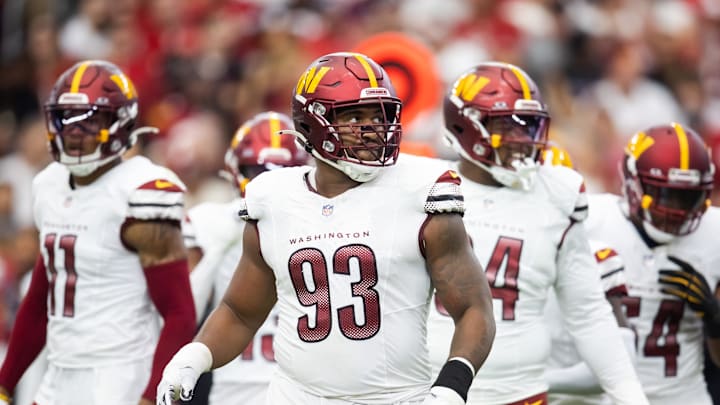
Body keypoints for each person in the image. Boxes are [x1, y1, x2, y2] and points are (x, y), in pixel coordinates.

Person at [158, 51, 496, 405]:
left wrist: (452, 386)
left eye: (380, 115)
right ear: (311, 123)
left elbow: (474, 308)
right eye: (355, 116)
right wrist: (195, 357)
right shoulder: (274, 199)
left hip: (395, 398)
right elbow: (241, 312)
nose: (373, 129)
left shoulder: (421, 189)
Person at [428, 61, 648, 405]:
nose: (522, 139)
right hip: (430, 389)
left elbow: (587, 312)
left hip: (521, 392)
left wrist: (630, 396)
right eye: (506, 126)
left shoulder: (558, 191)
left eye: (528, 126)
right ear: (464, 125)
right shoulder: (422, 185)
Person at [0, 60, 196, 405]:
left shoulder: (140, 193)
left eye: (90, 119)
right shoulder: (49, 185)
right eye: (66, 118)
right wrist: (5, 383)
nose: (75, 132)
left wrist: (153, 397)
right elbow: (41, 298)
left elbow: (180, 313)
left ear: (119, 123)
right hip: (58, 377)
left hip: (119, 380)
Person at [585, 122, 720, 404]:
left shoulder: (714, 233)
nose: (678, 210)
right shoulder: (591, 221)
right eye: (667, 195)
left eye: (689, 197)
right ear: (635, 184)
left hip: (683, 396)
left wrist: (714, 317)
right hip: (604, 397)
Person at [181, 111, 309, 403]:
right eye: (258, 172)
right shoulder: (213, 223)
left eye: (283, 171)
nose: (269, 185)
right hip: (235, 388)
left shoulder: (328, 224)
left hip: (302, 387)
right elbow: (182, 311)